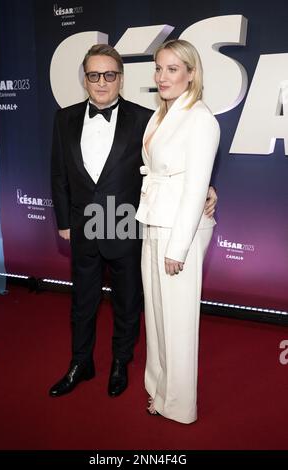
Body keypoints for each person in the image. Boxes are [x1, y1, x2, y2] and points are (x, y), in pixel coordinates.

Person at [50, 44, 217, 398]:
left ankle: (119, 363)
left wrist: (207, 187)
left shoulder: (145, 117)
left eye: (109, 75)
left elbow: (169, 162)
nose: (101, 82)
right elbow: (59, 173)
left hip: (125, 221)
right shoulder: (63, 118)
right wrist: (64, 220)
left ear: (121, 79)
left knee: (128, 302)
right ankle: (81, 362)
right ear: (84, 78)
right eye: (93, 75)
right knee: (82, 301)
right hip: (83, 224)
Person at [135, 39, 220, 423]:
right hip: (153, 221)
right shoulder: (161, 115)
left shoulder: (200, 118)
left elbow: (196, 186)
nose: (162, 76)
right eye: (158, 68)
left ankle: (180, 405)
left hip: (178, 233)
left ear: (190, 73)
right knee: (155, 314)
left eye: (172, 69)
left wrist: (178, 248)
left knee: (179, 320)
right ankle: (158, 386)